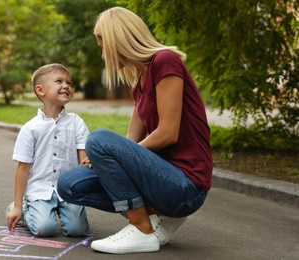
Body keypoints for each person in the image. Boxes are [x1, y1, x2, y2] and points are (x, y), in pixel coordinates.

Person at [57, 7, 213, 254]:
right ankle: (156, 215)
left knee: (97, 139)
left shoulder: (165, 61)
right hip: (161, 178)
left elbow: (168, 133)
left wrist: (115, 153)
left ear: (118, 40)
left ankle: (141, 228)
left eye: (102, 46)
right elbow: (131, 140)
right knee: (69, 184)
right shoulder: (139, 80)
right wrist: (104, 161)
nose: (102, 55)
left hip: (186, 184)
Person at [6, 63, 90, 237]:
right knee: (44, 229)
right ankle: (25, 208)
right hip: (40, 188)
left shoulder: (76, 122)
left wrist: (88, 161)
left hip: (68, 189)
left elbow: (83, 158)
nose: (66, 86)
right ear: (40, 90)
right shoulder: (31, 128)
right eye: (59, 81)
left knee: (78, 230)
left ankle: (68, 213)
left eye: (69, 83)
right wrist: (16, 205)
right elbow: (23, 169)